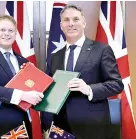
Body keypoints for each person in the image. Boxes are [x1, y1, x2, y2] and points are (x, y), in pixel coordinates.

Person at [43, 5, 124, 139]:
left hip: (92, 125)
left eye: (76, 19)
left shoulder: (101, 50)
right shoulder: (55, 56)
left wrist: (89, 89)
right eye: (66, 20)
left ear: (84, 23)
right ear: (61, 25)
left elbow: (116, 84)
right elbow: (50, 89)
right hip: (61, 126)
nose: (71, 24)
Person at [0, 15, 44, 138]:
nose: (7, 34)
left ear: (15, 35)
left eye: (11, 31)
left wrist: (39, 95)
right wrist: (22, 95)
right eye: (2, 30)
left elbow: (33, 92)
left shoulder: (24, 62)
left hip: (21, 127)